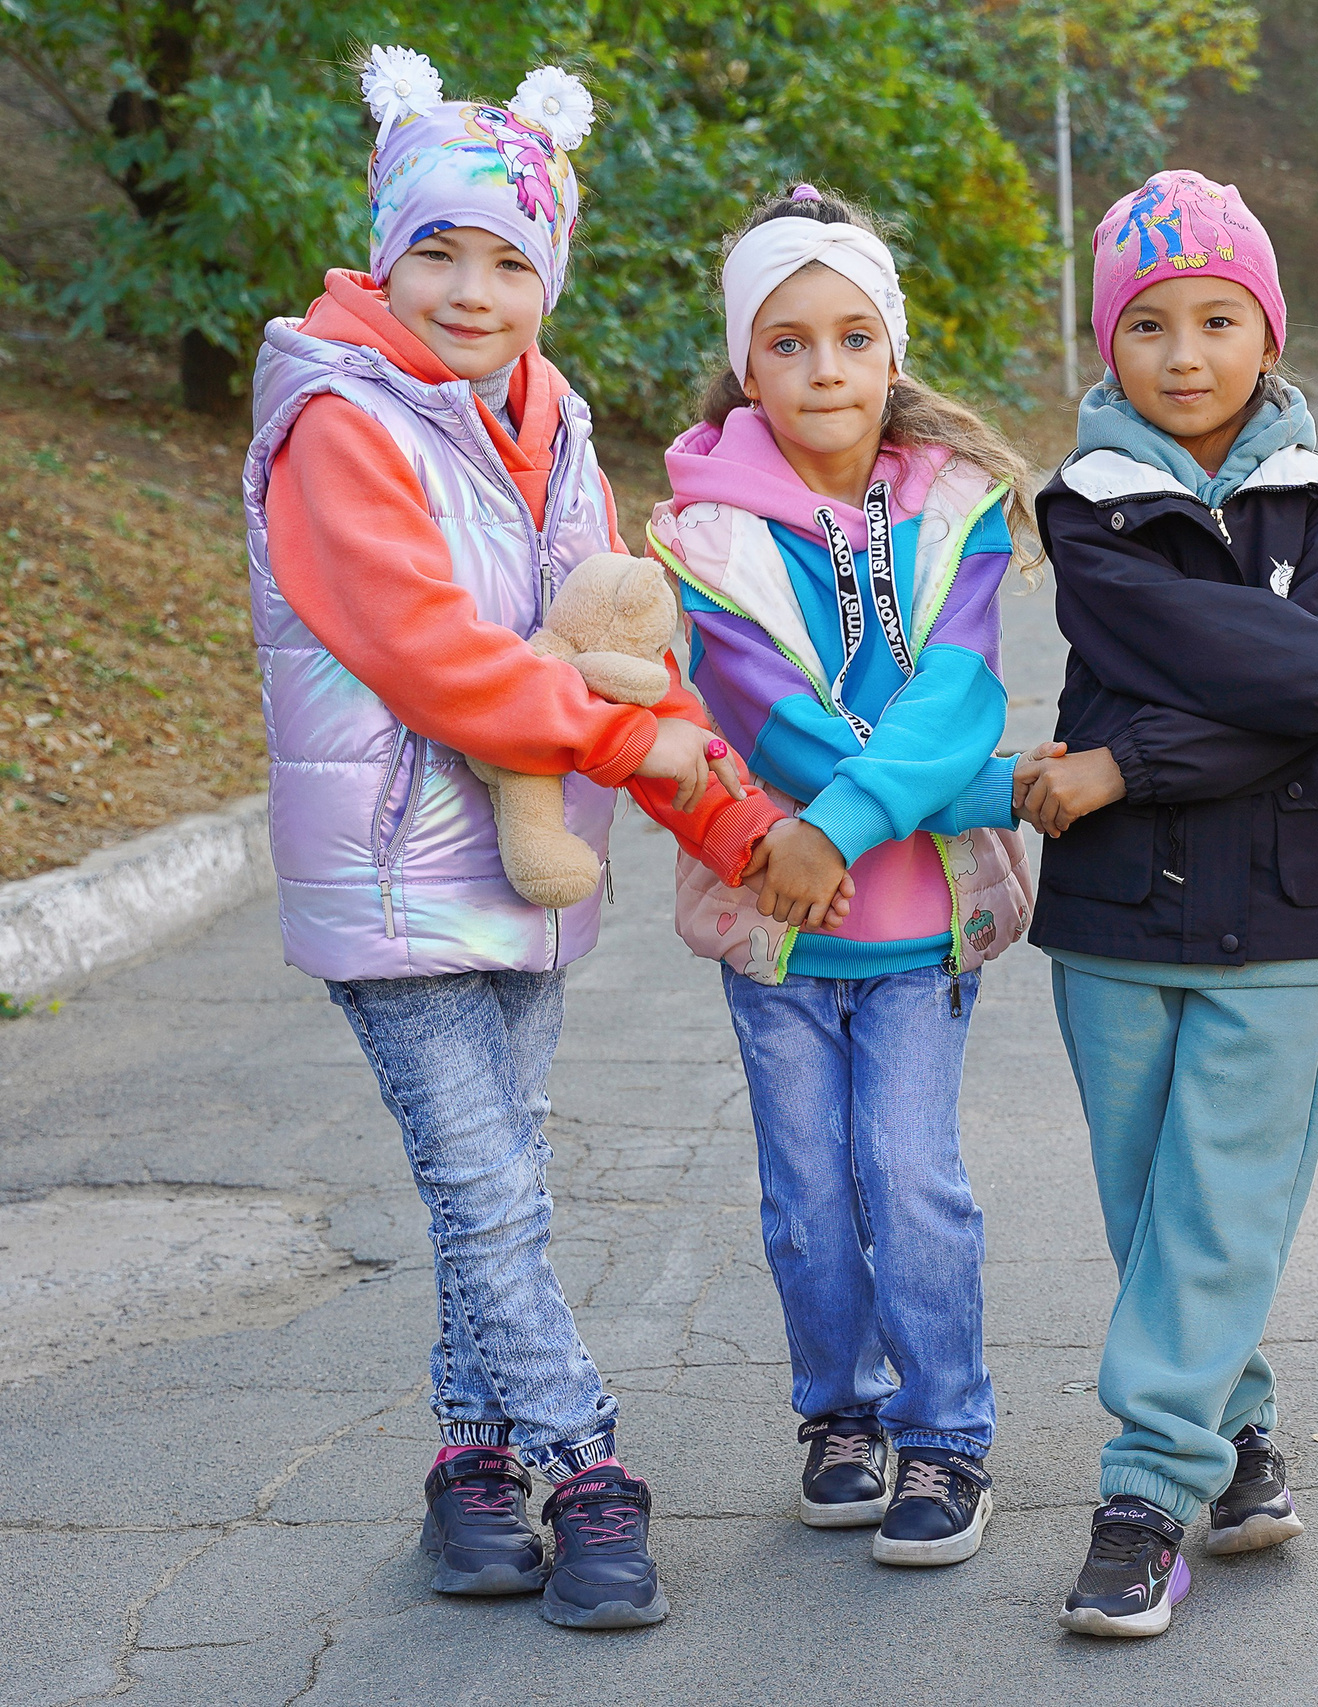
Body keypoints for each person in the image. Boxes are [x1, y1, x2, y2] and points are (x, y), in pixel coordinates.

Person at [243, 49, 799, 1629]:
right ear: (382, 250)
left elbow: (619, 633)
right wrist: (637, 743)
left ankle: (470, 1472)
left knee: (496, 1188)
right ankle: (587, 1468)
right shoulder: (338, 421)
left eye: (509, 259)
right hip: (391, 872)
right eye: (438, 250)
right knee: (486, 1193)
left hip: (524, 870)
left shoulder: (547, 421)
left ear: (548, 273)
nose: (472, 289)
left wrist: (731, 813)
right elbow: (434, 655)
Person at [1015, 169, 1318, 1638]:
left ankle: (1146, 1492)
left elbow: (1288, 696)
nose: (1184, 352)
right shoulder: (1086, 509)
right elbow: (1215, 648)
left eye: (1218, 318)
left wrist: (1122, 759)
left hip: (1283, 909)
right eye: (1149, 324)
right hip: (1112, 920)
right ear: (1109, 346)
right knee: (1152, 1206)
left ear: (1266, 330)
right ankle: (1237, 1433)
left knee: (1221, 1205)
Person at [649, 185, 1038, 1569]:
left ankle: (947, 1437)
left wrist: (848, 823)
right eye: (790, 343)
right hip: (779, 927)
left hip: (917, 919)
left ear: (894, 352)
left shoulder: (955, 510)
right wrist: (805, 838)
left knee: (910, 1177)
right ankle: (842, 1414)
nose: (826, 371)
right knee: (809, 1191)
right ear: (747, 365)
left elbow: (959, 695)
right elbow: (761, 704)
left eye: (853, 339)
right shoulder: (700, 533)